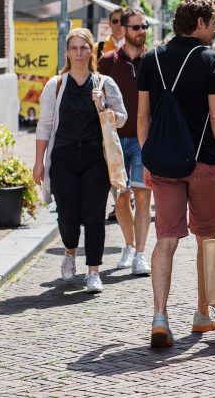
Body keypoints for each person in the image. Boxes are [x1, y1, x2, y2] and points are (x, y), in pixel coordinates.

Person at [137, 0, 215, 348]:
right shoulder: (211, 61)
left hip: (163, 164)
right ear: (199, 23)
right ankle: (201, 313)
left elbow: (142, 117)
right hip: (203, 163)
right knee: (206, 239)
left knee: (165, 240)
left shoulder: (151, 58)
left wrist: (148, 159)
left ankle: (159, 316)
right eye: (213, 23)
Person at [34, 28, 128, 294]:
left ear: (91, 52)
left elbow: (122, 119)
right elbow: (44, 126)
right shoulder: (56, 85)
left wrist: (102, 107)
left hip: (95, 158)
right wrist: (39, 162)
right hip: (63, 157)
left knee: (95, 216)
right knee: (68, 216)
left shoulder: (104, 83)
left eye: (83, 48)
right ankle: (69, 251)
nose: (78, 53)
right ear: (66, 53)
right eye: (73, 48)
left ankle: (93, 272)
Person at [98, 7, 152, 277]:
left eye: (144, 27)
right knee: (121, 198)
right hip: (115, 142)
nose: (141, 32)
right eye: (136, 27)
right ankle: (129, 245)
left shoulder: (153, 60)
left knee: (143, 196)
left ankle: (141, 254)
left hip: (144, 140)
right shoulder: (108, 61)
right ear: (123, 30)